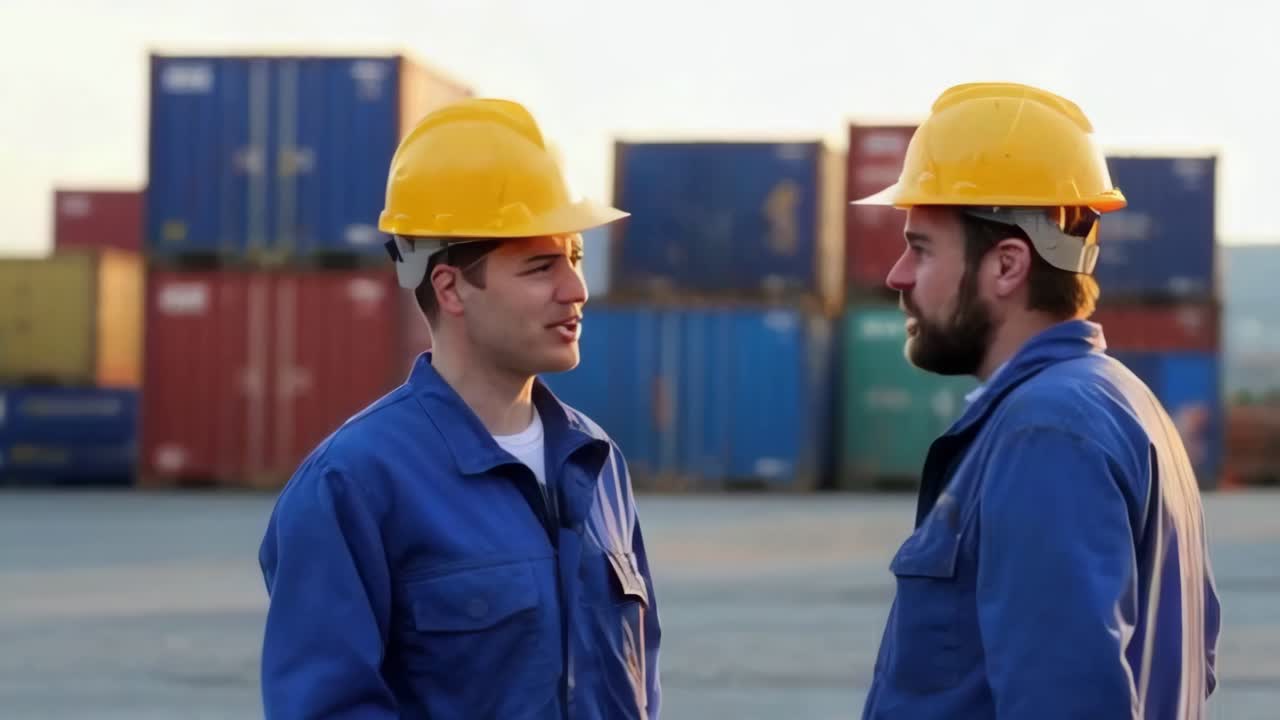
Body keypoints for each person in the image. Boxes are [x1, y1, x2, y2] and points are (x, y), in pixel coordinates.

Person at [258, 98, 662, 720]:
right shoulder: (354, 483)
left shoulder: (597, 463)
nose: (576, 289)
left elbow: (639, 684)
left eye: (576, 258)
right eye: (540, 266)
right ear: (451, 288)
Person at [853, 82, 1221, 719]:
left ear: (1007, 265)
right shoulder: (1125, 406)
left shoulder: (1047, 431)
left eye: (920, 248)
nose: (897, 277)